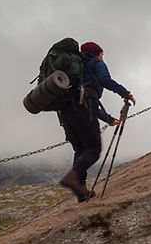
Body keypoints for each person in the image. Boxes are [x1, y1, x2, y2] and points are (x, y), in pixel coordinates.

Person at [57, 41, 136, 201]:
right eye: (102, 54)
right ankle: (72, 178)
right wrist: (125, 93)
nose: (103, 58)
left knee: (80, 150)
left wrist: (108, 119)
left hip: (65, 112)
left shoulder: (75, 70)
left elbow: (88, 103)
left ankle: (81, 192)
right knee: (93, 148)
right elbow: (104, 81)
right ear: (97, 53)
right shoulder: (95, 63)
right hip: (83, 108)